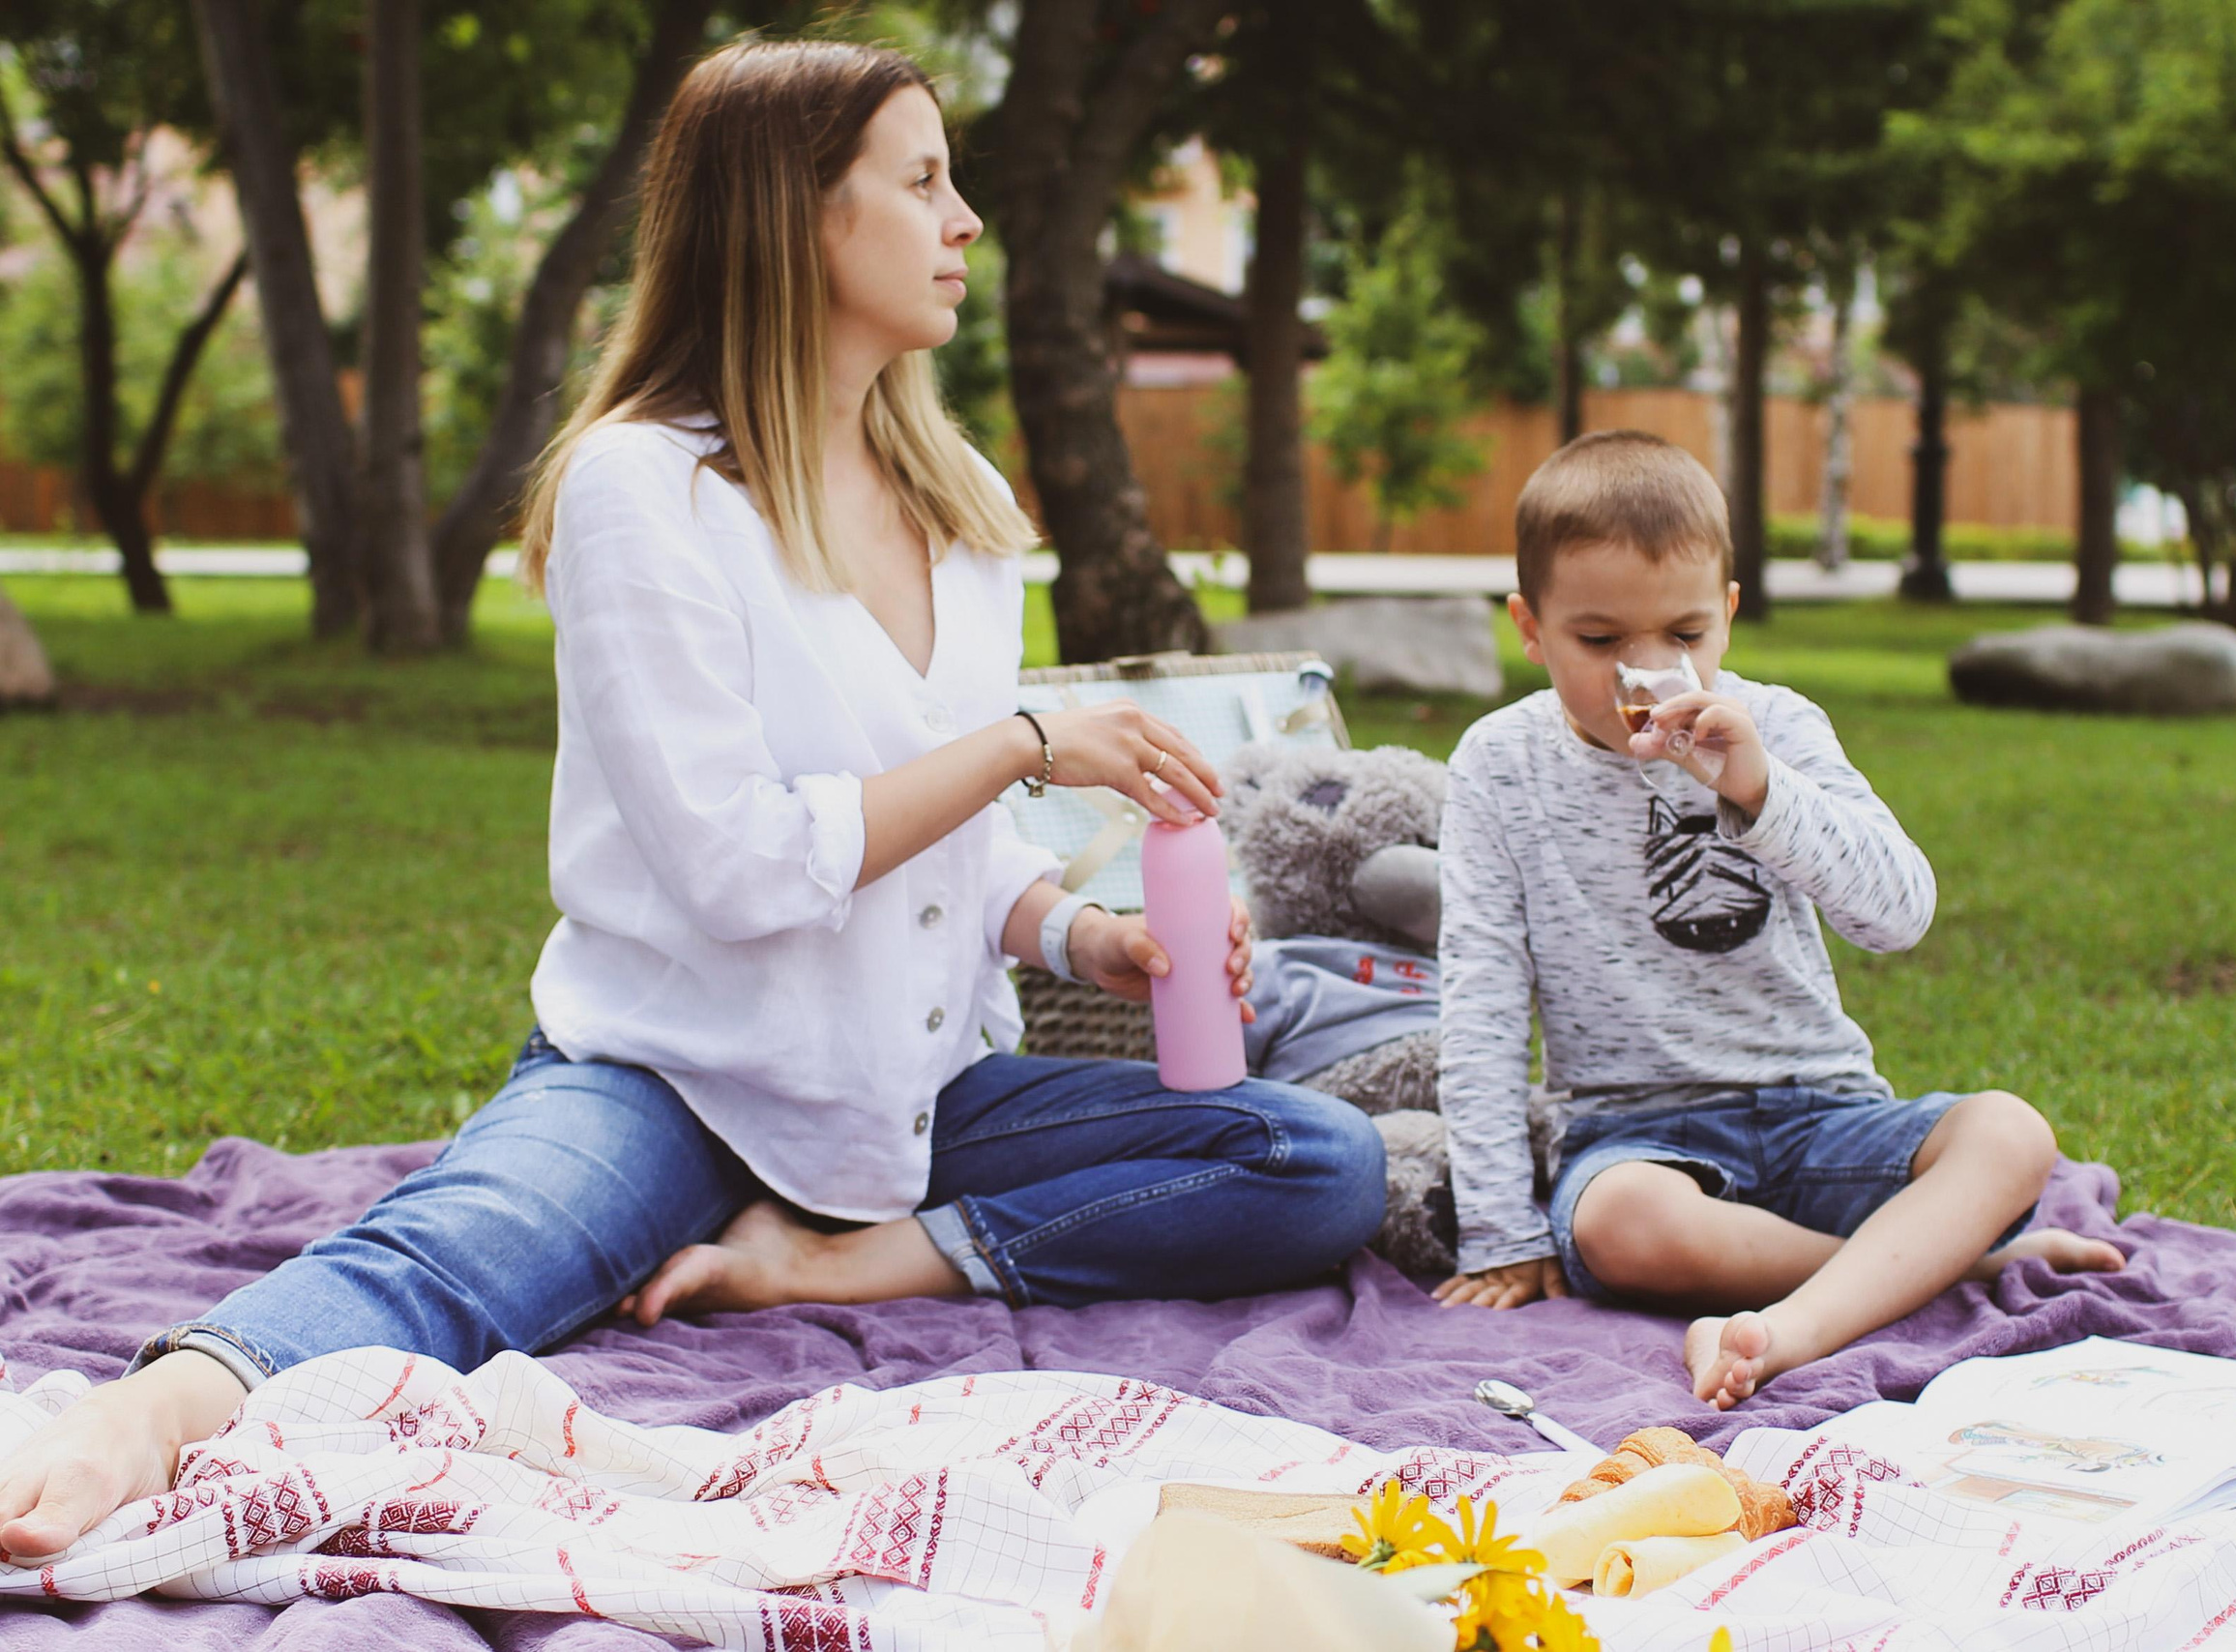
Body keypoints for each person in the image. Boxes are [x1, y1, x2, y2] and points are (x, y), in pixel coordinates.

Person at [0, 41, 1385, 1558]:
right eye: (923, 182)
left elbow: (957, 850)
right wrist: (1024, 740)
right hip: (677, 1085)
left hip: (911, 1104)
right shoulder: (640, 491)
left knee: (1316, 1163)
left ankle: (839, 1261)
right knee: (460, 1259)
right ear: (798, 216)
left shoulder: (964, 505)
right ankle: (146, 1416)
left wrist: (1080, 938)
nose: (966, 220)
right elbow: (744, 868)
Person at [1429, 431, 2122, 1407]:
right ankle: (1934, 1267)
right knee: (1619, 1223)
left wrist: (1759, 791)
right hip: (1639, 1137)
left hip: (1820, 1112)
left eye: (1684, 634)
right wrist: (1501, 1229)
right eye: (1599, 641)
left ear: (1728, 614)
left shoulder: (1778, 728)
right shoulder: (1499, 763)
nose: (1646, 670)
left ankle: (1796, 1320)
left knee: (2010, 1133)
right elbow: (1481, 996)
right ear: (1529, 628)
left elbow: (1899, 914)